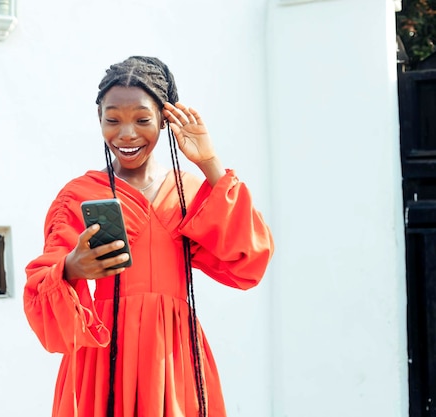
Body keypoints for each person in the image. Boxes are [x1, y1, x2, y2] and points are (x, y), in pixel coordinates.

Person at [23, 56, 274, 417]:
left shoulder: (189, 192)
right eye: (113, 120)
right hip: (103, 355)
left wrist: (208, 162)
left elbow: (250, 258)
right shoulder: (78, 195)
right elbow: (39, 287)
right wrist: (71, 267)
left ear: (164, 119)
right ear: (99, 120)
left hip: (173, 355)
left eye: (142, 120)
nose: (127, 134)